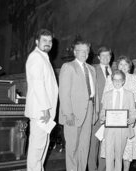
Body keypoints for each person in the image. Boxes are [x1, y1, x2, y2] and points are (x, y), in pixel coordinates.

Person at [59, 41, 97, 171]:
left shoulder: (92, 69)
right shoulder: (68, 67)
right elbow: (64, 93)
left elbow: (93, 93)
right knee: (72, 147)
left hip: (89, 110)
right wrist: (68, 113)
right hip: (73, 113)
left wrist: (95, 111)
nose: (85, 53)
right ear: (75, 52)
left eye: (87, 51)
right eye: (81, 50)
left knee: (84, 147)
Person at [25, 29, 58, 171]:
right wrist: (45, 109)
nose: (48, 43)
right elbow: (38, 85)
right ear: (37, 41)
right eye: (44, 40)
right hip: (41, 111)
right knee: (37, 149)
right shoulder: (36, 57)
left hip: (45, 111)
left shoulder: (43, 57)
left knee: (42, 147)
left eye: (50, 41)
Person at [103, 56, 136, 171]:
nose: (123, 66)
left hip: (124, 127)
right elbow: (104, 108)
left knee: (120, 154)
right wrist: (102, 117)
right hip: (109, 128)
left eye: (126, 64)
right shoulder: (108, 93)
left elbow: (133, 109)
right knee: (109, 154)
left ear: (123, 81)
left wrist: (132, 119)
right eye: (120, 64)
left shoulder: (129, 93)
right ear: (112, 80)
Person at [88, 46, 112, 171]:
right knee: (93, 144)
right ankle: (92, 168)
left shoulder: (114, 72)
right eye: (103, 56)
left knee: (106, 145)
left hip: (112, 115)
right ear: (98, 57)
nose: (106, 58)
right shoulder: (93, 70)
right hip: (97, 113)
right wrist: (93, 111)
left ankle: (102, 169)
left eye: (108, 55)